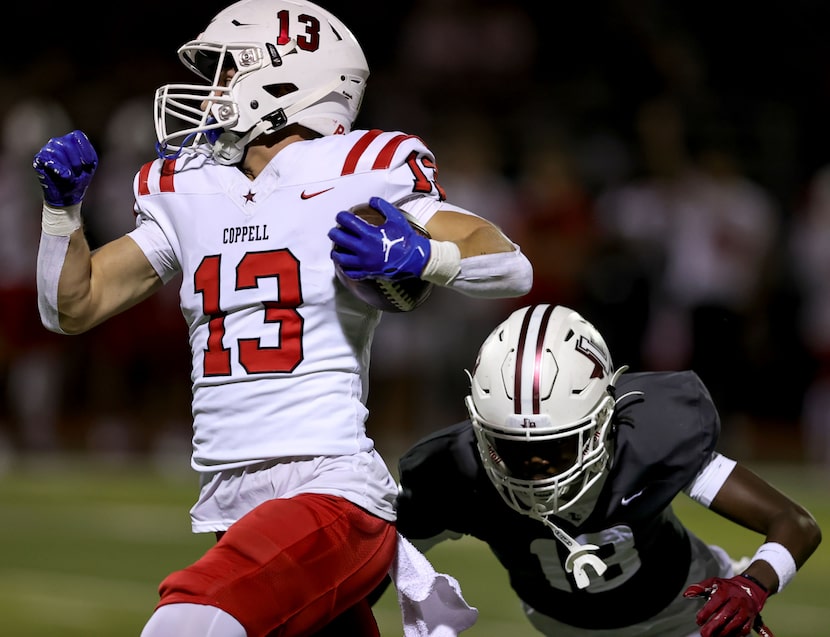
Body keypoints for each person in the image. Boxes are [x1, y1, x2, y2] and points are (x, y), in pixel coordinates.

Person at [30, 1, 533, 635]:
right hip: (234, 505)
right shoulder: (191, 184)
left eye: (224, 71)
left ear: (286, 80)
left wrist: (421, 253)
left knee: (188, 620)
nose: (209, 91)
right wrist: (61, 215)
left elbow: (511, 266)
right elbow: (74, 306)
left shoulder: (358, 167)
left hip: (327, 494)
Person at [386, 303, 821, 637]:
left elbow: (795, 522)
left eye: (556, 447)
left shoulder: (648, 436)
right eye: (511, 449)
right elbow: (374, 558)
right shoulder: (455, 472)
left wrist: (753, 583)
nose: (535, 469)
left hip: (691, 617)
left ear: (603, 423)